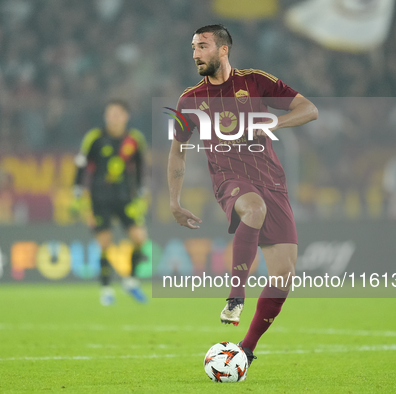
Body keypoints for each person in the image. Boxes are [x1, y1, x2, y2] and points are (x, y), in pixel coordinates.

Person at [167, 25, 318, 366]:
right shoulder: (189, 100)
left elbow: (309, 109)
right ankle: (236, 295)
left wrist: (274, 124)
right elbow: (178, 150)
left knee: (284, 275)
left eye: (202, 46)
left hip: (272, 181)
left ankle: (245, 351)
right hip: (229, 179)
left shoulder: (256, 82)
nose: (194, 54)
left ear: (223, 50)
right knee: (253, 208)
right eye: (192, 47)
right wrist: (174, 201)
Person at [73, 100, 149, 306]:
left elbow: (140, 164)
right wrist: (78, 188)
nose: (113, 118)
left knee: (140, 238)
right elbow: (81, 163)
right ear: (105, 117)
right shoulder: (95, 138)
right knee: (105, 242)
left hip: (126, 197)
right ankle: (106, 289)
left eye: (118, 113)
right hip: (100, 198)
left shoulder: (134, 140)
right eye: (110, 114)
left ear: (126, 116)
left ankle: (131, 281)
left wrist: (141, 188)